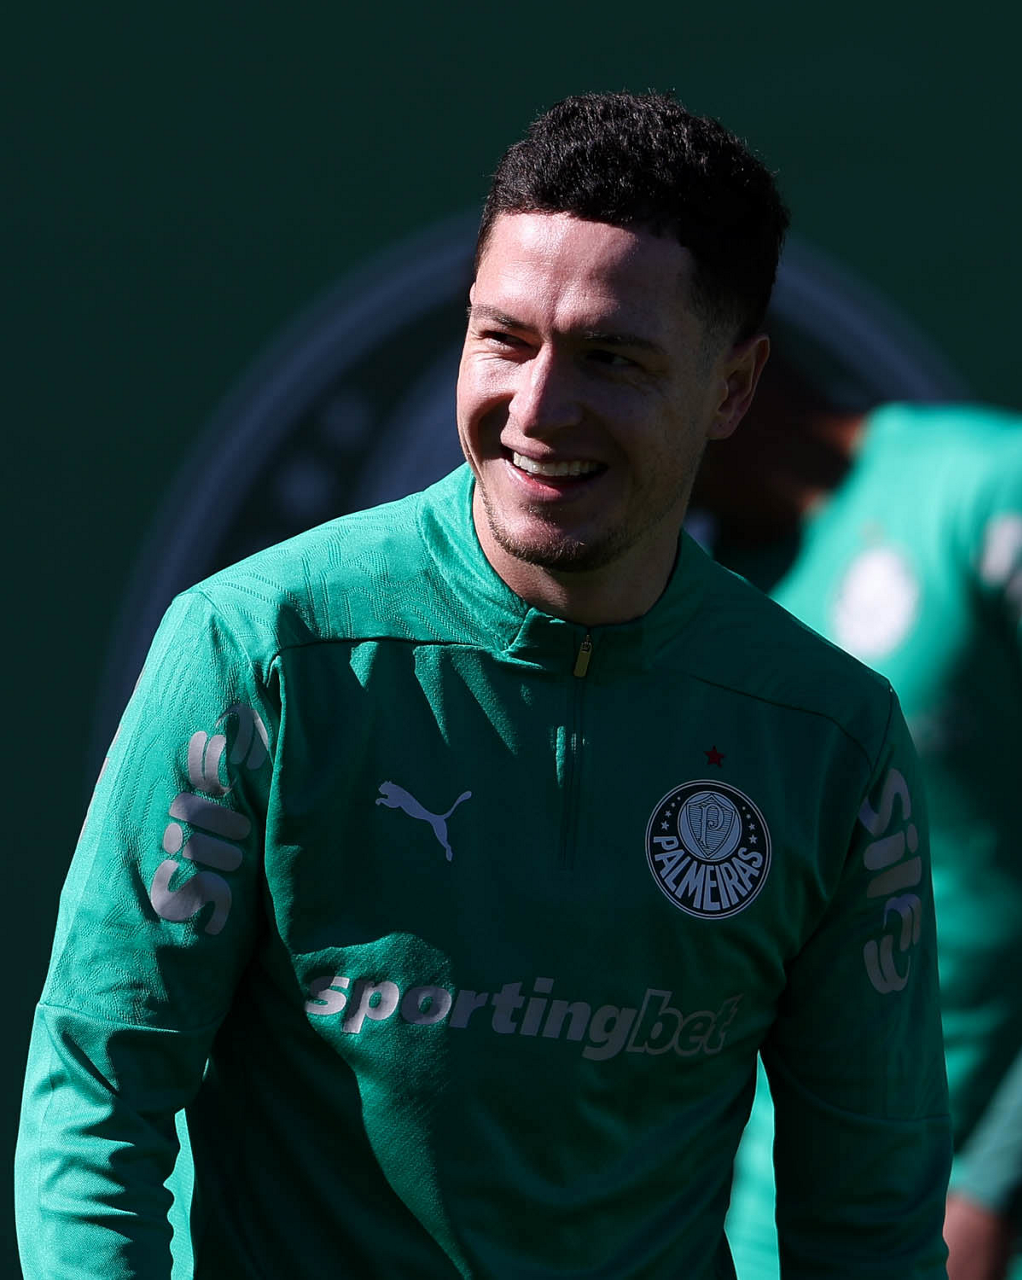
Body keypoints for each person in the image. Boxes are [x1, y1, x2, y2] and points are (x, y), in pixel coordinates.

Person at [16, 93, 952, 1278]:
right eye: (505, 338)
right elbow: (98, 1094)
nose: (539, 408)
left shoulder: (828, 737)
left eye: (612, 358)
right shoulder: (260, 651)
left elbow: (870, 1221)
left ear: (733, 385)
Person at [704, 365, 1022, 1280]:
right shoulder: (681, 603)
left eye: (622, 360)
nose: (570, 412)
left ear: (733, 364)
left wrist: (995, 1188)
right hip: (784, 1236)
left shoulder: (1001, 488)